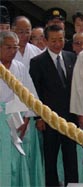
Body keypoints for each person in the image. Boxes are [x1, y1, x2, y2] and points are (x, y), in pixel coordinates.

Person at [29, 25, 78, 186]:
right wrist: (39, 117)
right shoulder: (37, 62)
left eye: (61, 39)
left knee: (71, 156)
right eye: (54, 40)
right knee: (50, 158)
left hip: (70, 118)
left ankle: (73, 184)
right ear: (45, 41)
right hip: (49, 118)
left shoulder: (72, 57)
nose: (58, 44)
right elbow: (34, 92)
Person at [0, 31, 38, 186]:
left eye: (15, 47)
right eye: (8, 47)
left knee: (17, 160)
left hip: (18, 118)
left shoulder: (20, 67)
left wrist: (27, 119)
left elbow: (30, 95)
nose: (12, 51)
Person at [11, 15, 44, 186]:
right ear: (12, 30)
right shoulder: (5, 55)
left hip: (27, 113)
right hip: (7, 113)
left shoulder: (36, 52)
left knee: (28, 151)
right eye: (20, 31)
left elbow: (33, 90)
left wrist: (33, 116)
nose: (24, 36)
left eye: (27, 32)